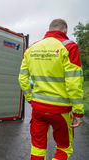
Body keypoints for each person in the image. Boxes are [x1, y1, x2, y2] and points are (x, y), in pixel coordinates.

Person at [18, 19, 84, 160]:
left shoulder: (31, 49)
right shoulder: (69, 46)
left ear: (49, 29)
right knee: (64, 148)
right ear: (65, 30)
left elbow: (22, 79)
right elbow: (74, 82)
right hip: (60, 111)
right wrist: (78, 111)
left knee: (37, 147)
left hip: (38, 109)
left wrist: (30, 98)